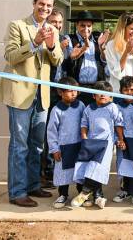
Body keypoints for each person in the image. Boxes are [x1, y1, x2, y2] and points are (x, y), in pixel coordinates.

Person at [0, 0, 64, 207]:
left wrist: (52, 45)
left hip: (42, 95)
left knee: (36, 145)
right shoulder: (17, 25)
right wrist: (35, 43)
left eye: (48, 6)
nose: (45, 9)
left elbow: (57, 60)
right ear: (34, 3)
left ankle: (33, 185)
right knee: (20, 146)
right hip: (20, 94)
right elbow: (10, 56)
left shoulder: (52, 28)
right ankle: (17, 192)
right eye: (41, 4)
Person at [71, 81, 124, 209]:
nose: (102, 96)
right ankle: (98, 196)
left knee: (97, 168)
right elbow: (84, 124)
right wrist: (84, 138)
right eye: (99, 93)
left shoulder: (113, 107)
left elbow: (119, 124)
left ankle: (84, 193)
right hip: (90, 142)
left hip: (106, 143)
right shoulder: (89, 108)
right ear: (94, 95)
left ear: (110, 96)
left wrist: (121, 139)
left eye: (106, 93)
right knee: (88, 168)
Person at [42, 8, 71, 189]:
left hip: (62, 91)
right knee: (47, 132)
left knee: (61, 131)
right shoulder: (43, 39)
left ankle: (56, 170)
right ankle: (45, 171)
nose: (57, 26)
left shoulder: (65, 39)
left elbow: (68, 65)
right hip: (47, 90)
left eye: (60, 23)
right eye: (54, 22)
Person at [46, 77, 85, 209]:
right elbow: (51, 131)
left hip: (79, 145)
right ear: (60, 92)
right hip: (63, 147)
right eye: (69, 91)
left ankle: (81, 194)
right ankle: (63, 195)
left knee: (79, 171)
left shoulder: (80, 106)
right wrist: (54, 149)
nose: (73, 93)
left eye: (75, 90)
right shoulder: (56, 110)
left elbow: (85, 123)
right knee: (64, 173)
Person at [113, 76, 133, 207]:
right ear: (120, 91)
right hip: (122, 139)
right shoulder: (117, 106)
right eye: (126, 90)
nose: (129, 93)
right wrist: (118, 139)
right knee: (123, 164)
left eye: (132, 90)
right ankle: (125, 190)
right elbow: (115, 124)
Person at [65, 10, 107, 105]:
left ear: (92, 26)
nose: (86, 28)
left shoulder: (98, 40)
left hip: (96, 88)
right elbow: (67, 62)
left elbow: (104, 62)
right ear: (77, 25)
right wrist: (82, 50)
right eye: (82, 25)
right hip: (76, 88)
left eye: (89, 26)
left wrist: (101, 48)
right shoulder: (70, 39)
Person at [104, 12, 133, 94]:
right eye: (132, 29)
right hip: (119, 91)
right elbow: (115, 71)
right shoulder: (111, 45)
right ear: (123, 28)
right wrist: (126, 52)